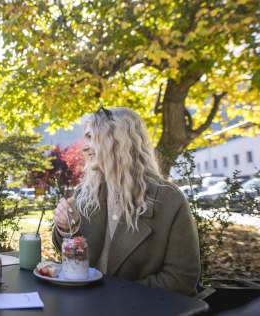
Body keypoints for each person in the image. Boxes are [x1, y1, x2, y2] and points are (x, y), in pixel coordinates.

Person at [52, 107, 200, 296]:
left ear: (117, 140)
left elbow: (181, 279)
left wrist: (115, 296)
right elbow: (69, 253)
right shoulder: (85, 192)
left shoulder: (168, 199)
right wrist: (65, 227)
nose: (84, 147)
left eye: (91, 137)